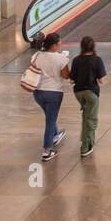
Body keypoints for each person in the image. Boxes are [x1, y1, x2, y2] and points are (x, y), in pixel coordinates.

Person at [30, 32, 71, 162]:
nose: (60, 44)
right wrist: (63, 59)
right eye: (59, 42)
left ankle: (55, 135)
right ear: (54, 45)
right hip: (54, 93)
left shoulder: (37, 55)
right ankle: (47, 150)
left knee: (50, 116)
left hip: (38, 92)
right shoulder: (61, 59)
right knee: (50, 120)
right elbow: (66, 75)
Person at [70, 35, 106, 159]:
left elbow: (72, 79)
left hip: (78, 93)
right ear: (93, 46)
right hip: (91, 93)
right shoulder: (97, 60)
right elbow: (101, 80)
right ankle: (86, 146)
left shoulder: (76, 60)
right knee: (91, 119)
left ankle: (87, 139)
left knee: (86, 115)